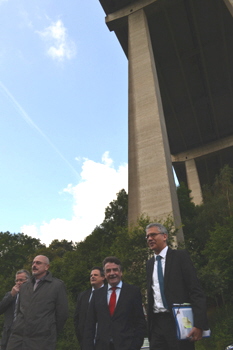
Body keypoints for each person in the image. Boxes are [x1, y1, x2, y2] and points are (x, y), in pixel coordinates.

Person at [146, 223, 209, 350]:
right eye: (147, 236)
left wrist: (199, 324)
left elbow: (195, 291)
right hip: (157, 323)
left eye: (153, 235)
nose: (149, 239)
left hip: (178, 321)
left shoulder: (180, 257)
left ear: (165, 236)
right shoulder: (150, 264)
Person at [83, 256, 146, 350]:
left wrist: (136, 345)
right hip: (102, 346)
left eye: (115, 270)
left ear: (121, 273)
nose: (112, 273)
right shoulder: (97, 294)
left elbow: (139, 321)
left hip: (127, 346)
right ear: (104, 274)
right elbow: (89, 325)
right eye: (108, 271)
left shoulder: (133, 292)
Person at [6, 255, 68, 350]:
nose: (34, 265)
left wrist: (49, 330)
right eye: (33, 263)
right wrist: (16, 327)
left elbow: (62, 313)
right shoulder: (25, 286)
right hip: (18, 338)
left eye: (38, 263)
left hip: (42, 340)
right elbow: (18, 311)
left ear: (47, 267)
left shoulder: (57, 286)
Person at [74, 266, 105, 349]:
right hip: (86, 343)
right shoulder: (83, 296)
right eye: (91, 275)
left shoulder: (108, 295)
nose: (92, 277)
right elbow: (77, 318)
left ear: (103, 277)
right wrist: (81, 337)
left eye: (95, 275)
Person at [0, 270, 30, 350]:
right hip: (8, 335)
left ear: (28, 281)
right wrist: (11, 295)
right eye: (17, 280)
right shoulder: (10, 295)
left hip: (25, 335)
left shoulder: (33, 295)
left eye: (21, 280)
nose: (18, 283)